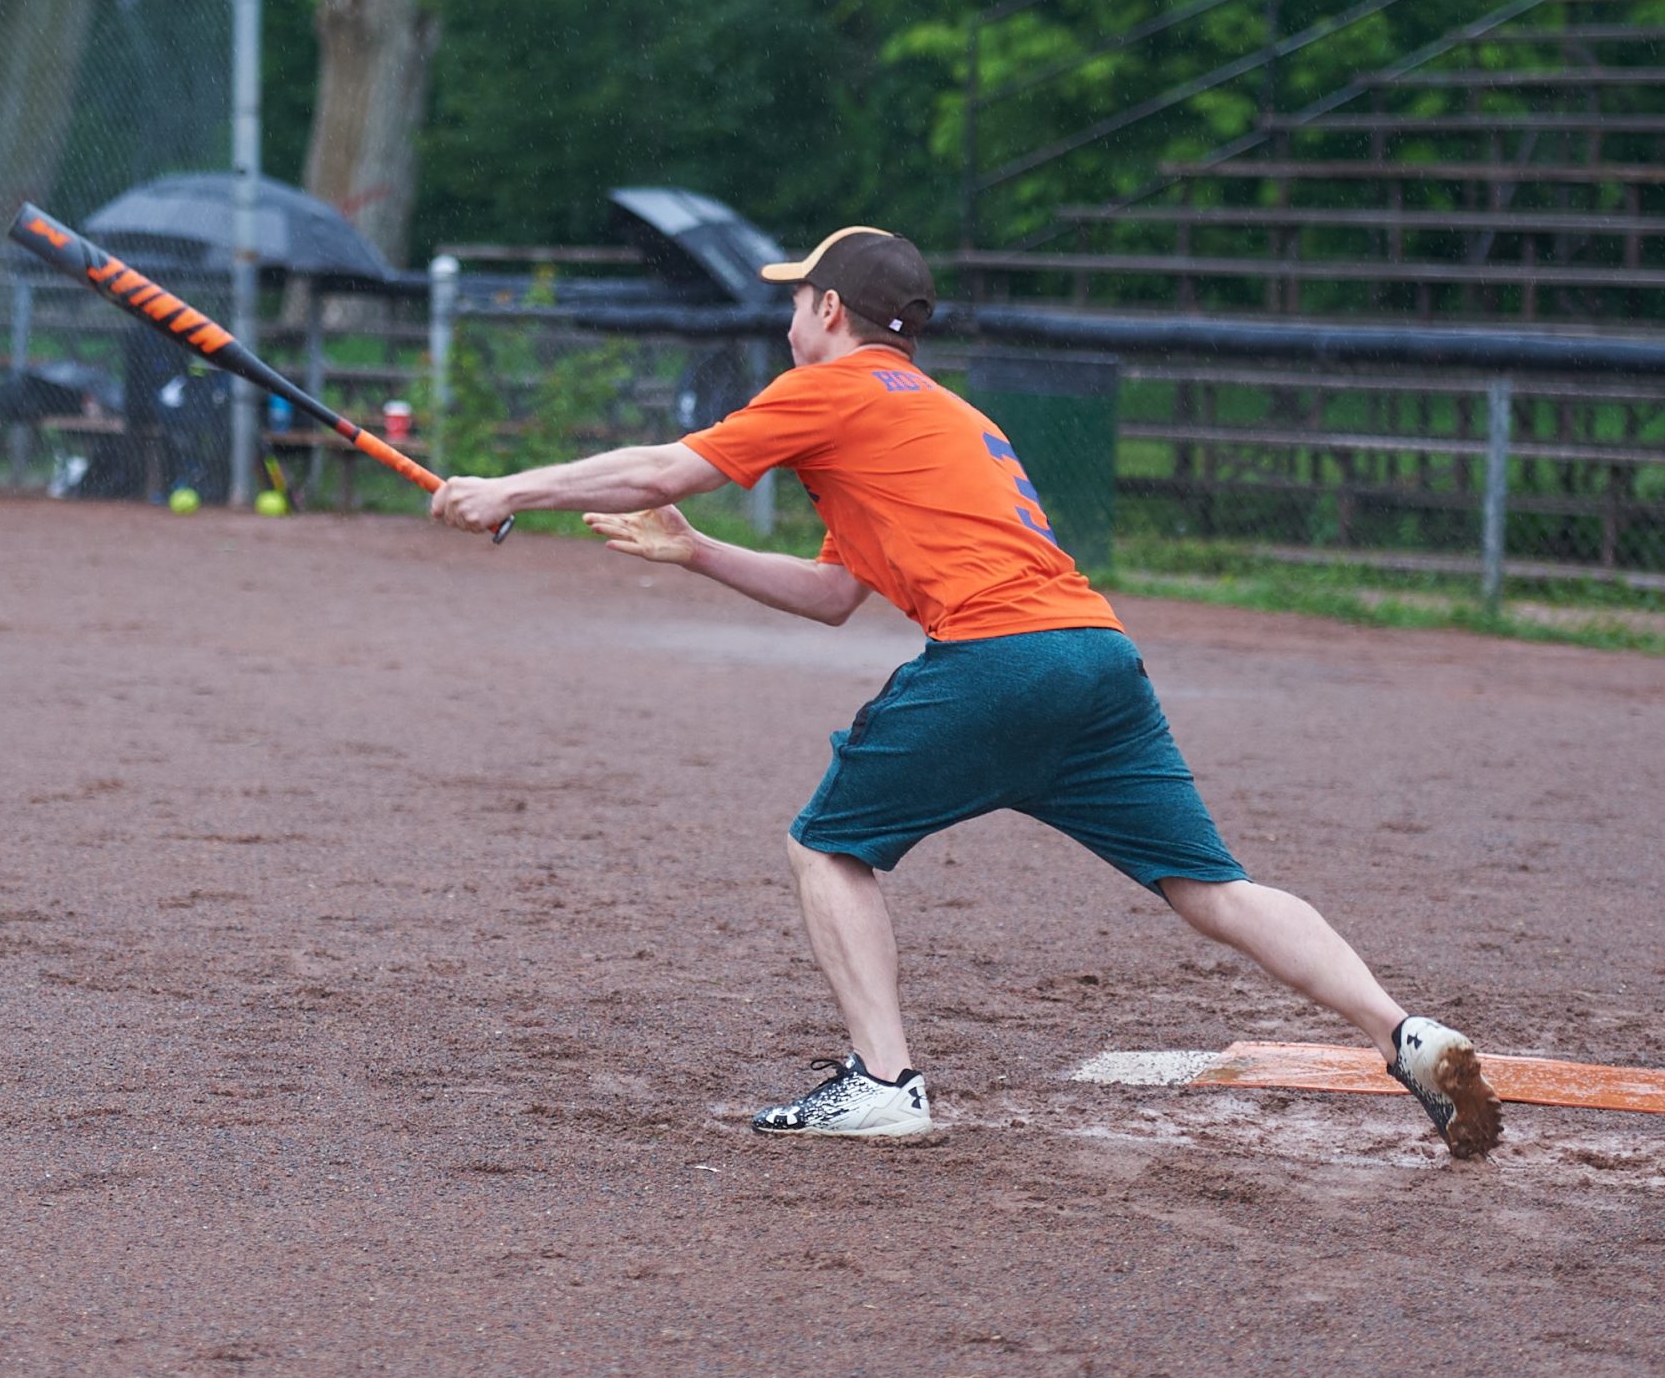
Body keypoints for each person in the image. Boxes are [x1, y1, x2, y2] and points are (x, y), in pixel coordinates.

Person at [431, 225, 1502, 1157]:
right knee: (1207, 886)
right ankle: (1403, 1034)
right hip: (1095, 656)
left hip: (1000, 657)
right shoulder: (946, 416)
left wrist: (507, 488)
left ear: (832, 310)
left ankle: (883, 1084)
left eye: (796, 300)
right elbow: (832, 593)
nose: (788, 321)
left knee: (826, 845)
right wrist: (696, 553)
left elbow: (664, 465)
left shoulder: (828, 387)